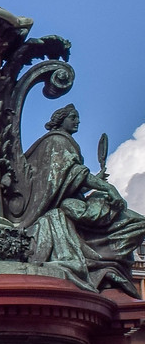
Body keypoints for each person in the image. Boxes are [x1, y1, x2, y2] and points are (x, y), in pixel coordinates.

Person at [19, 105, 145, 294]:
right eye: (73, 117)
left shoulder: (65, 143)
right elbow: (72, 174)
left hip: (73, 204)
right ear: (61, 120)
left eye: (77, 118)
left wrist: (96, 181)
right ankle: (103, 262)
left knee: (136, 221)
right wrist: (107, 187)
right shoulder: (57, 141)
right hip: (68, 207)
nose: (77, 121)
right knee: (134, 220)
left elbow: (68, 181)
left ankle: (106, 263)